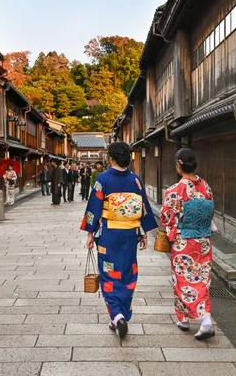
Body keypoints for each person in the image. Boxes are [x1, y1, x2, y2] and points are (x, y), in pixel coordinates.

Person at [81, 142, 157, 339]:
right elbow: (143, 208)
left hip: (109, 235)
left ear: (111, 158)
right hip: (130, 234)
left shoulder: (103, 179)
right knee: (127, 272)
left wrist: (90, 233)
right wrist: (145, 232)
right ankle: (122, 312)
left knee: (109, 273)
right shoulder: (136, 181)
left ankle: (116, 315)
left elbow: (94, 208)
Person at [160, 148, 215, 340]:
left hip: (184, 242)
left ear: (178, 165)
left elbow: (166, 217)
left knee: (185, 281)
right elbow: (210, 212)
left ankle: (204, 319)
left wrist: (171, 230)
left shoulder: (175, 190)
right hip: (203, 240)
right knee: (201, 278)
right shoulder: (205, 186)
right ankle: (183, 318)